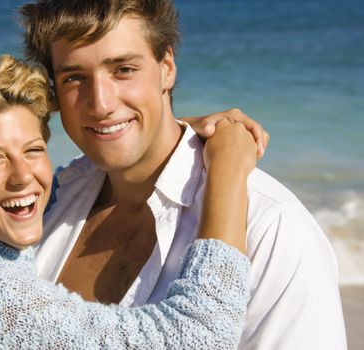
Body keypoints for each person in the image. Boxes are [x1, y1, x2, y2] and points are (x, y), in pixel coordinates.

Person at [0, 55, 259, 349]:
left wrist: (175, 130)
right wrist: (227, 167)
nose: (22, 177)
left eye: (32, 150)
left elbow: (74, 175)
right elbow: (197, 337)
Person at [20, 1, 347, 349]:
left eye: (124, 70)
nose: (100, 103)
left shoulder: (270, 226)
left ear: (167, 67)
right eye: (74, 78)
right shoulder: (51, 200)